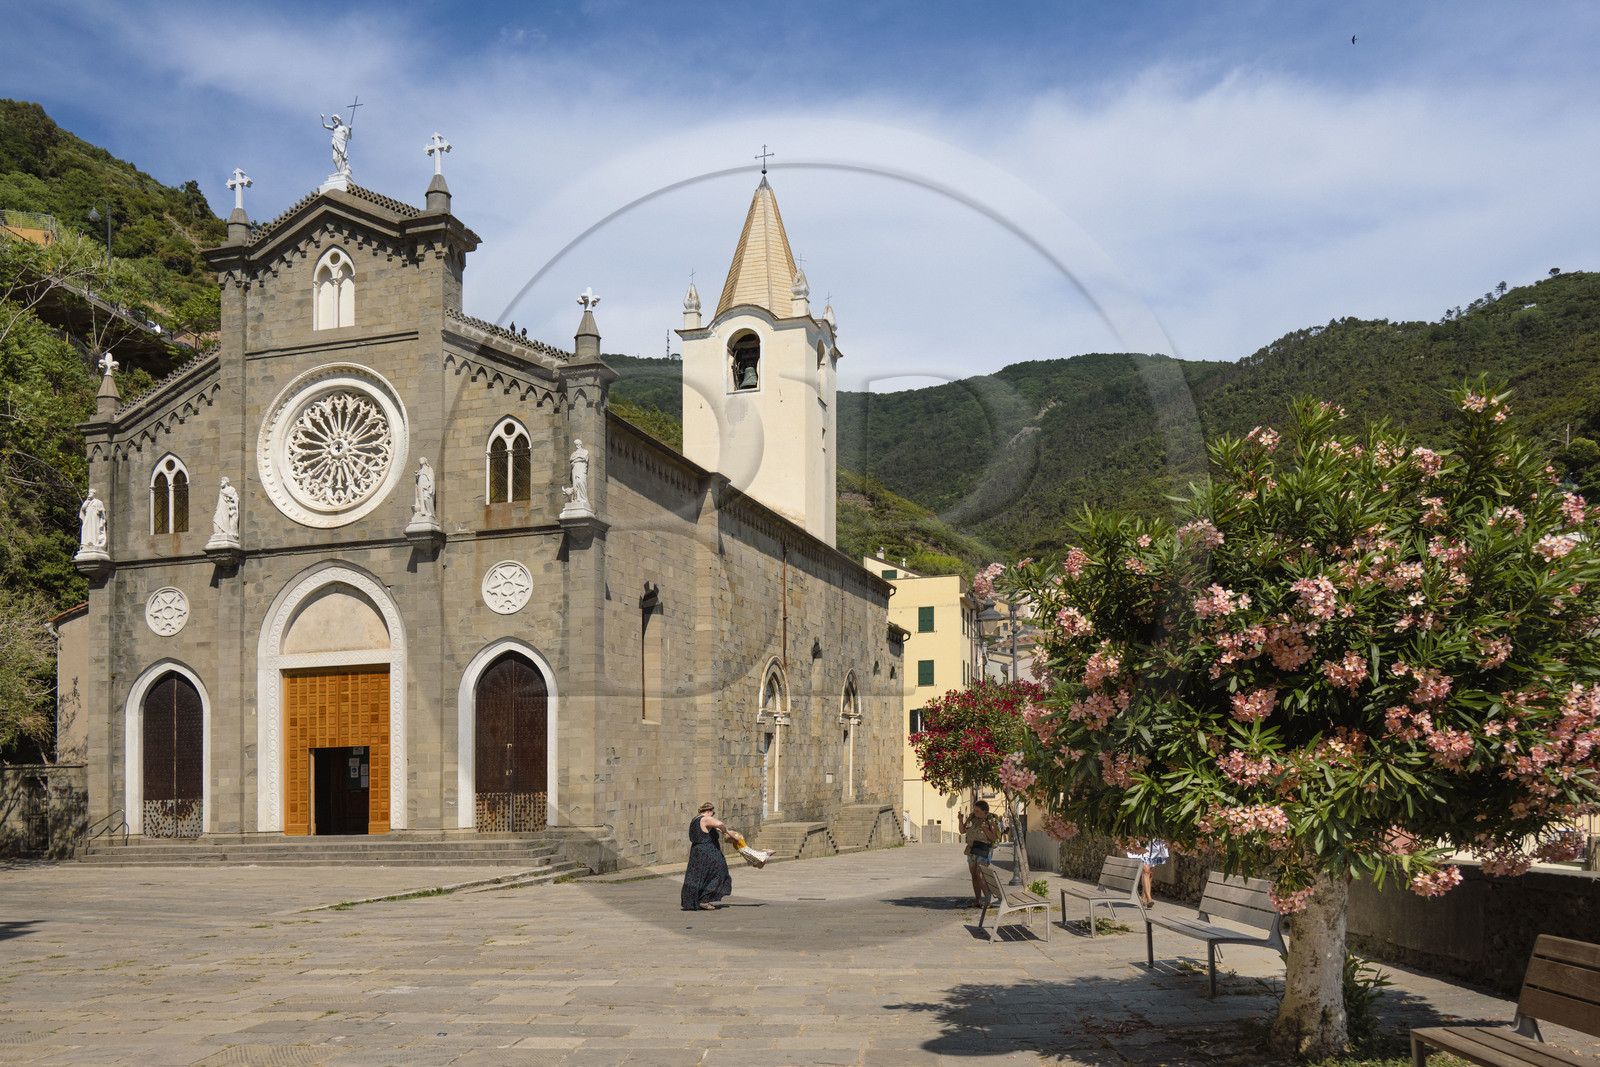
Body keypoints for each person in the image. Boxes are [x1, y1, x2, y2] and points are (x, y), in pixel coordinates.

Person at [680, 801, 734, 911]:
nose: (713, 815)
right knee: (720, 872)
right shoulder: (706, 818)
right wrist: (725, 832)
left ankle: (695, 900)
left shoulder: (695, 819)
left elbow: (703, 831)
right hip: (708, 851)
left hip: (697, 851)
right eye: (713, 813)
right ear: (709, 811)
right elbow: (720, 824)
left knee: (698, 876)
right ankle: (704, 900)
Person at [959, 801, 1000, 908]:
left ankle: (987, 900)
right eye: (974, 810)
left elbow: (993, 837)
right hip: (971, 849)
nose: (975, 812)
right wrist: (960, 820)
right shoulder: (972, 817)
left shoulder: (991, 820)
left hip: (983, 849)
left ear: (984, 811)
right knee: (974, 876)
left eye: (977, 811)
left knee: (980, 875)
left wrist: (986, 829)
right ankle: (978, 900)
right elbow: (962, 831)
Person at [1126, 839, 1169, 907]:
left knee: (1150, 872)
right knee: (1146, 870)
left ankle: (1143, 898)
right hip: (1141, 842)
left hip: (1155, 844)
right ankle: (1149, 898)